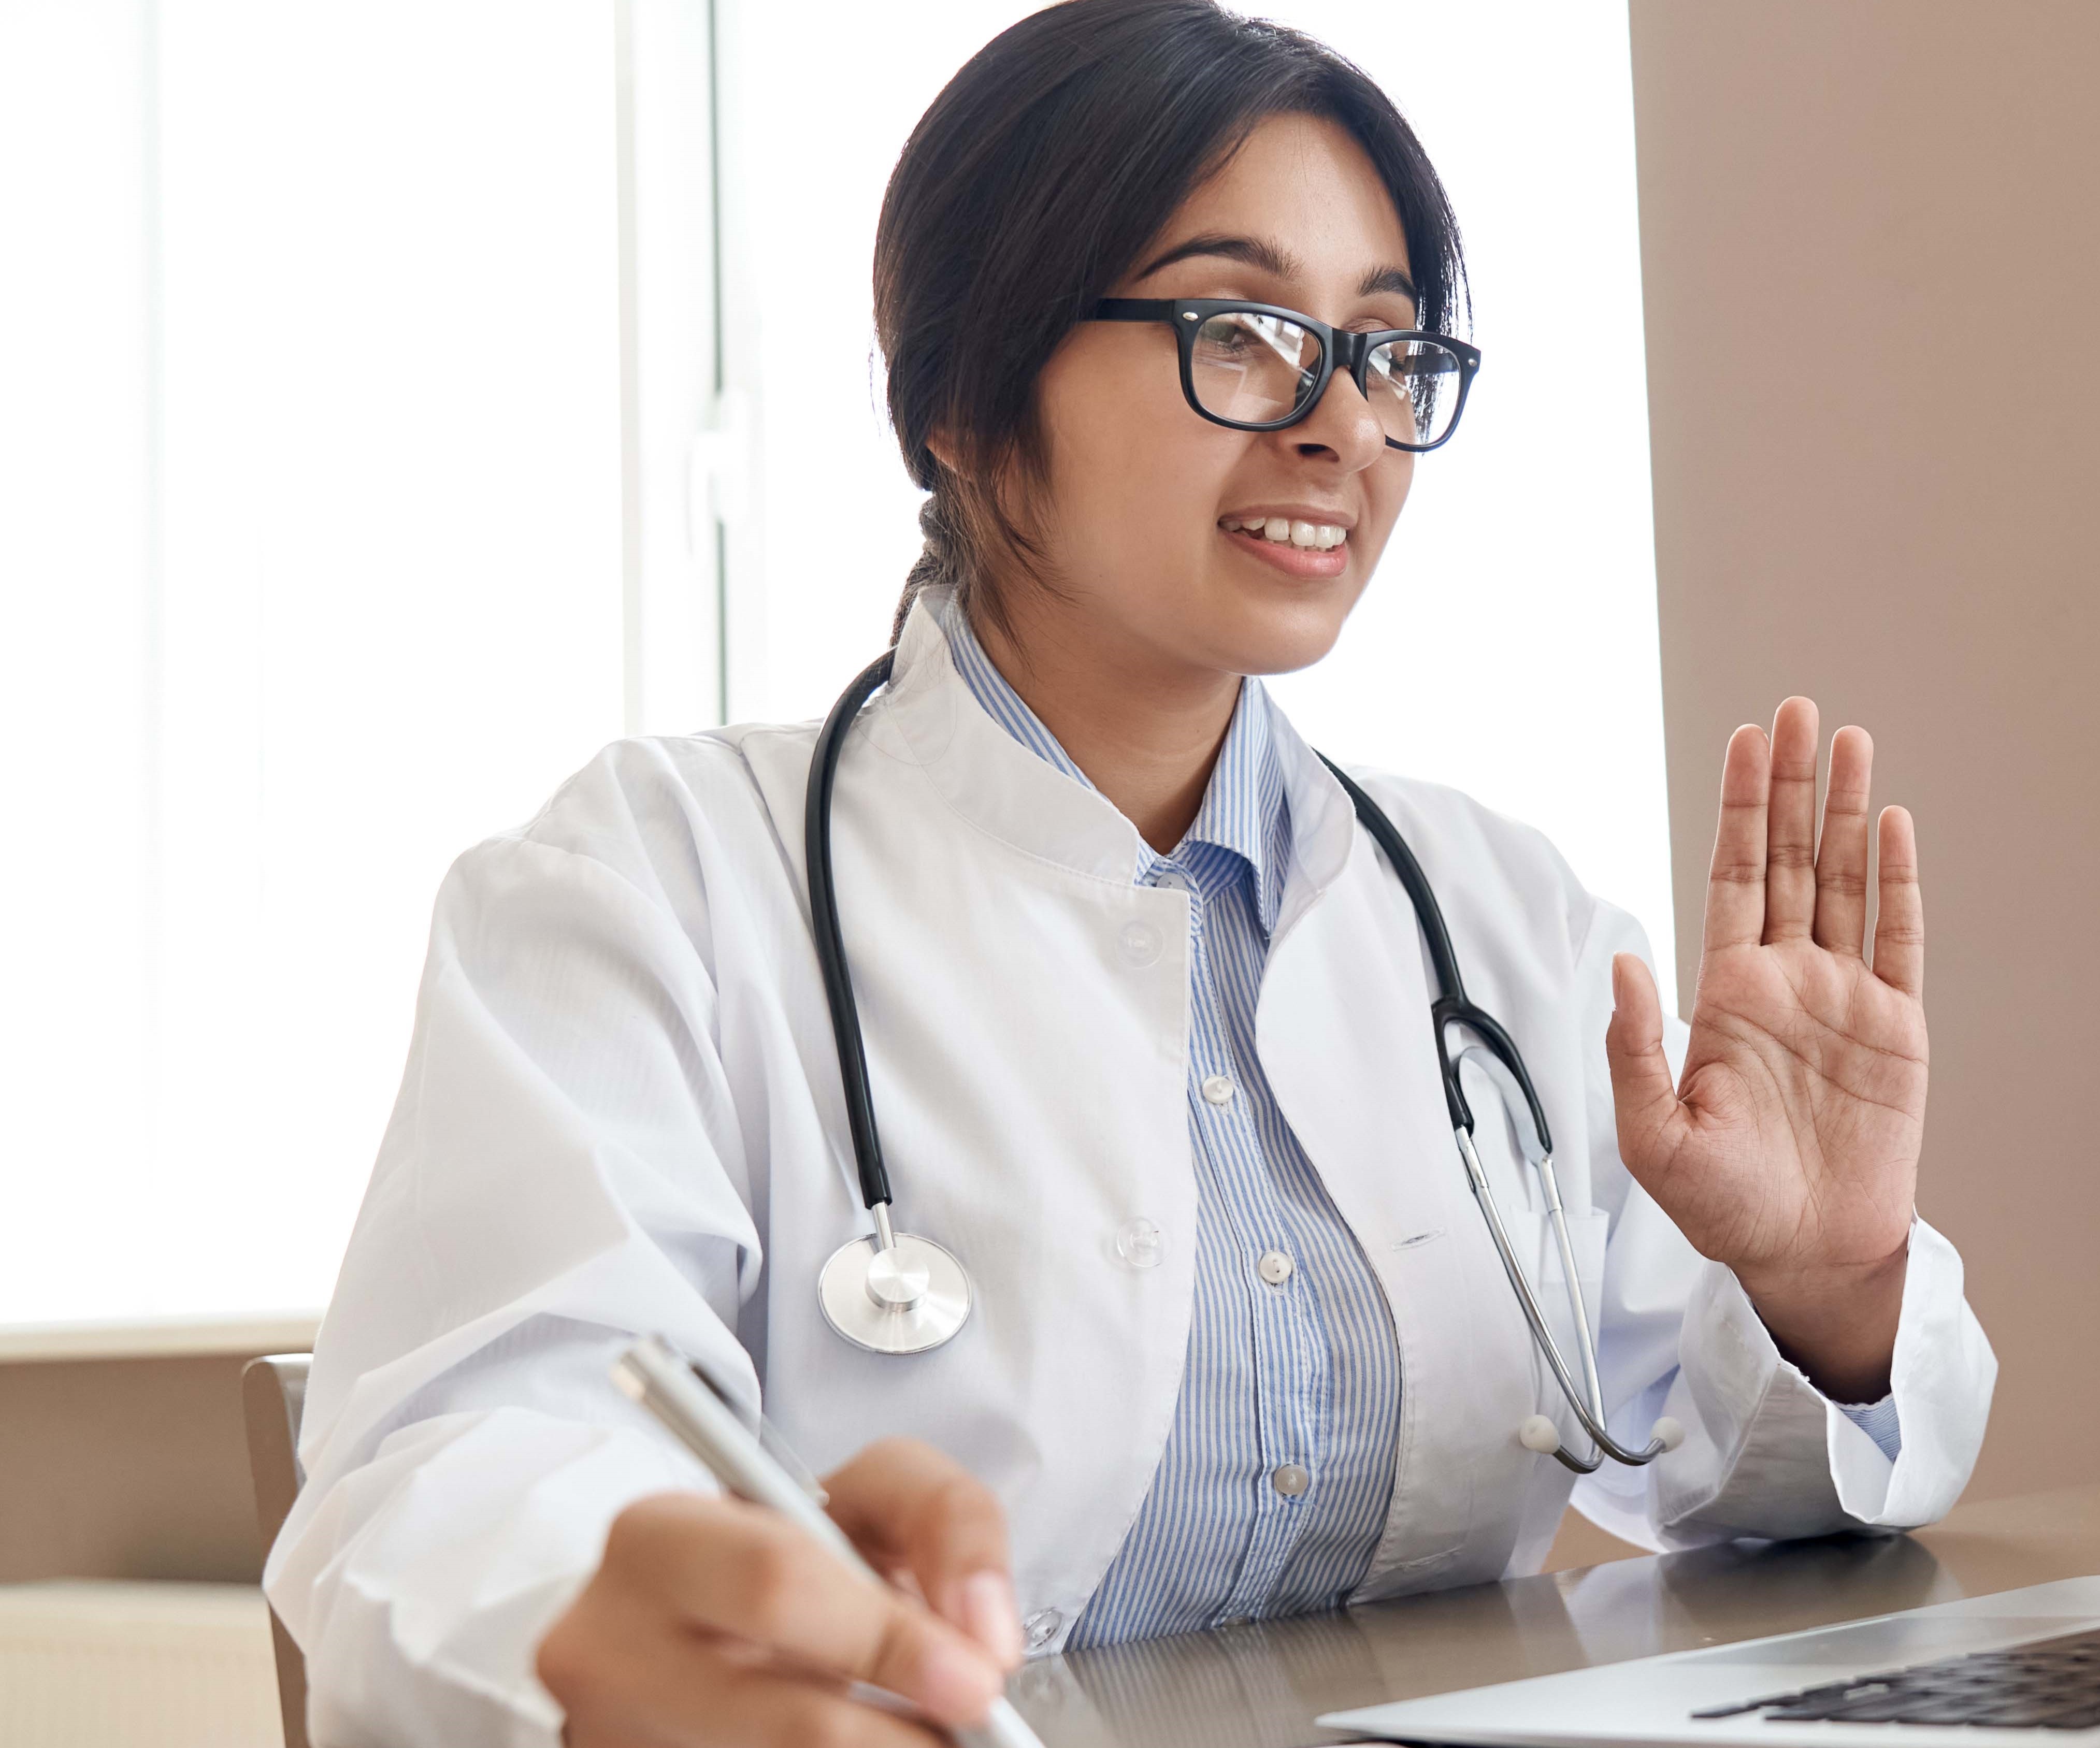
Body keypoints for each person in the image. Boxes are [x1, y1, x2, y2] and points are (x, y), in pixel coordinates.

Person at [264, 3, 1995, 1743]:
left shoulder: (1498, 918)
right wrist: (613, 1621)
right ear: (960, 393)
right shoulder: (656, 890)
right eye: (1241, 332)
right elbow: (461, 1468)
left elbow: (1766, 1492)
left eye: (1386, 352)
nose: (1340, 430)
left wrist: (1825, 1292)